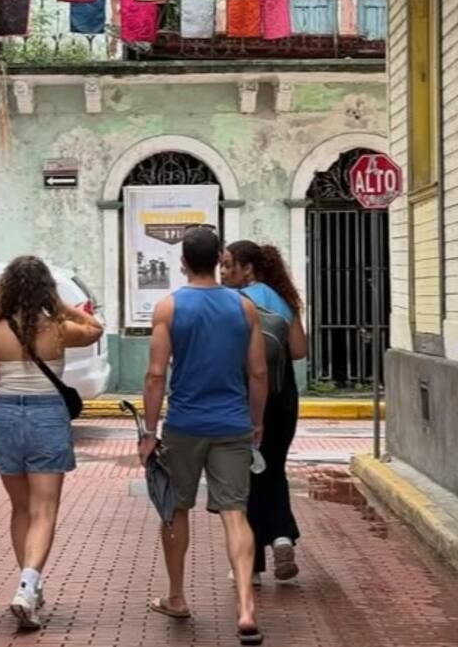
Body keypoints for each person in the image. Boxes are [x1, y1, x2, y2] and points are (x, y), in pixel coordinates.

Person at [0, 256, 103, 630]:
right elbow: (96, 327)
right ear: (44, 290)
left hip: (5, 418)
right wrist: (60, 305)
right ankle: (27, 585)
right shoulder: (56, 329)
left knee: (20, 508)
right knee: (44, 511)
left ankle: (30, 587)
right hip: (47, 418)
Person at [140, 226, 269, 646]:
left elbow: (156, 374)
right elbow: (258, 371)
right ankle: (246, 607)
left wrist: (148, 430)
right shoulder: (243, 307)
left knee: (175, 509)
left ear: (182, 261)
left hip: (184, 425)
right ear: (218, 259)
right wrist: (256, 422)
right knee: (235, 513)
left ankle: (177, 596)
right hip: (232, 423)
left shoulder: (168, 307)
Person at [220, 241, 309, 583]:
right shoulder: (285, 299)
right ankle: (283, 538)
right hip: (283, 399)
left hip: (244, 397)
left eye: (229, 265)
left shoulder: (235, 301)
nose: (223, 272)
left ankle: (252, 565)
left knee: (245, 477)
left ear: (248, 269)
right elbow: (299, 351)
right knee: (273, 469)